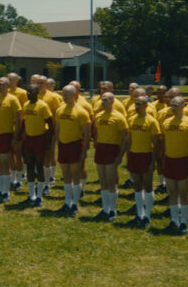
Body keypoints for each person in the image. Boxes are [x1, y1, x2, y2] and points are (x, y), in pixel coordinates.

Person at [158, 96, 188, 235]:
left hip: (184, 160)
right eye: (172, 105)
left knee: (183, 192)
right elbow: (164, 142)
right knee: (172, 192)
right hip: (170, 160)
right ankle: (174, 220)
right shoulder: (166, 122)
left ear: (183, 106)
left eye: (176, 105)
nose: (173, 107)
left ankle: (184, 223)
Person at [53, 85, 92, 216]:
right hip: (63, 145)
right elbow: (58, 128)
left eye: (67, 94)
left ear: (75, 95)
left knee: (75, 175)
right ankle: (67, 202)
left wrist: (84, 150)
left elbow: (87, 133)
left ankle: (74, 203)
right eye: (63, 94)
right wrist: (58, 142)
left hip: (75, 145)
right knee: (65, 174)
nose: (64, 96)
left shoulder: (81, 111)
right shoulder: (60, 110)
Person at [126, 96, 162, 228]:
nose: (136, 107)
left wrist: (153, 161)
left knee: (147, 185)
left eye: (139, 104)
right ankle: (139, 213)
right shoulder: (131, 119)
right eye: (135, 104)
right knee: (137, 185)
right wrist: (128, 156)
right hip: (134, 155)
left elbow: (156, 144)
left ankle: (147, 215)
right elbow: (129, 140)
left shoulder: (152, 121)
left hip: (146, 155)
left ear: (146, 105)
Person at [92, 92, 129, 221]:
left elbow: (125, 137)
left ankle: (112, 210)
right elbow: (96, 132)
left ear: (113, 101)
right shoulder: (99, 115)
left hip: (112, 148)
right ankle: (105, 209)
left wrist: (120, 155)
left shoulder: (119, 117)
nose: (103, 102)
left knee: (111, 180)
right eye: (102, 100)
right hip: (101, 148)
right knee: (102, 180)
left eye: (106, 100)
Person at [0, 77, 22, 203]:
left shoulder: (12, 99)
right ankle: (0, 190)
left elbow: (18, 119)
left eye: (2, 84)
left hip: (6, 135)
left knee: (5, 164)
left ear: (7, 86)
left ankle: (6, 192)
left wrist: (15, 137)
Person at [20, 83, 53, 207]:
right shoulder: (26, 105)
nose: (28, 95)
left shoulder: (43, 106)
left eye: (31, 92)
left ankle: (39, 196)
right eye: (27, 92)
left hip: (39, 138)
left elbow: (50, 124)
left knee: (39, 167)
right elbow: (24, 121)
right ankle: (31, 195)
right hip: (29, 139)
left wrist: (48, 142)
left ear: (37, 93)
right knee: (29, 166)